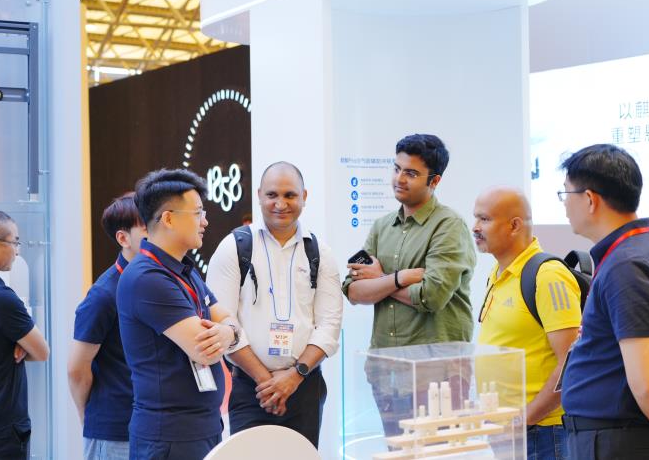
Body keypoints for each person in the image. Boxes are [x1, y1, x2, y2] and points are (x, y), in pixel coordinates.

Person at [559, 144, 649, 459]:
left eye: (565, 193)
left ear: (589, 199)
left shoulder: (627, 264)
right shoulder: (644, 251)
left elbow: (647, 383)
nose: (564, 204)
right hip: (619, 438)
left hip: (618, 443)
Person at [341, 134, 476, 436]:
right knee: (397, 453)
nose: (399, 179)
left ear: (435, 181)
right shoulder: (382, 226)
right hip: (386, 374)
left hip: (437, 375)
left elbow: (431, 296)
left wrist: (379, 282)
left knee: (436, 454)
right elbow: (352, 290)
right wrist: (398, 278)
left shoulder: (449, 226)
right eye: (396, 168)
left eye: (411, 173)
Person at [206, 162, 342, 448]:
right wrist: (266, 382)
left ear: (304, 196)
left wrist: (294, 376)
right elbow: (223, 322)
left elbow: (329, 325)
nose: (281, 204)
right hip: (251, 389)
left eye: (290, 195)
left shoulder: (320, 252)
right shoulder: (234, 247)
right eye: (272, 195)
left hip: (305, 386)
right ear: (259, 195)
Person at [116, 169, 237, 460]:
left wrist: (229, 331)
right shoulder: (147, 278)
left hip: (200, 428)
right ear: (169, 219)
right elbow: (205, 349)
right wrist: (228, 332)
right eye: (198, 213)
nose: (205, 221)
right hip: (170, 436)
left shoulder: (183, 270)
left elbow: (228, 319)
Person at [473, 187, 580, 460]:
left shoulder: (548, 276)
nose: (475, 227)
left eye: (484, 219)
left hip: (542, 434)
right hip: (508, 432)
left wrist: (522, 420)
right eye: (476, 218)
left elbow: (571, 365)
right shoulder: (499, 272)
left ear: (514, 225)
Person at [68, 194, 146, 460]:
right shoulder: (103, 294)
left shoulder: (156, 282)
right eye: (147, 228)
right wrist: (89, 418)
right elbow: (77, 369)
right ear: (123, 238)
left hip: (153, 425)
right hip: (115, 430)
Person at [0, 210, 50, 459]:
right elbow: (42, 351)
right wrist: (19, 343)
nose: (17, 251)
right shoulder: (3, 299)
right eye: (14, 242)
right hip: (3, 429)